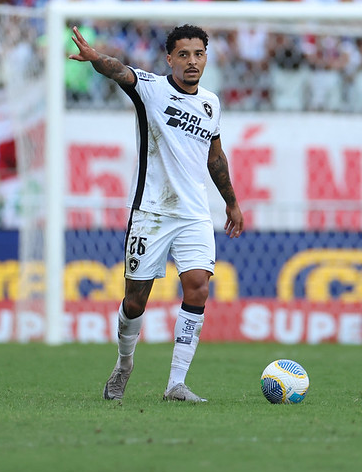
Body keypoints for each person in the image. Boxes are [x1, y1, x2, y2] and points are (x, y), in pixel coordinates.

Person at [69, 24, 244, 403]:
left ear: (206, 58)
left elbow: (215, 156)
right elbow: (120, 71)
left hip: (194, 213)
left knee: (198, 285)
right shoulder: (151, 89)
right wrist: (97, 59)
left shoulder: (211, 103)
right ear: (170, 59)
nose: (192, 61)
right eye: (184, 54)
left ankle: (176, 384)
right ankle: (124, 364)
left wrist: (231, 201)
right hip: (151, 212)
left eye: (198, 54)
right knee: (135, 301)